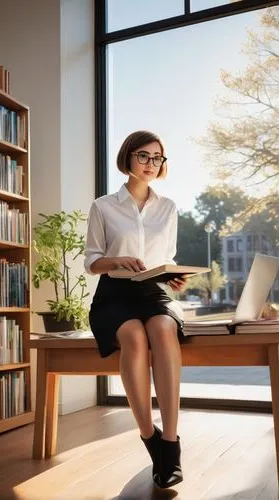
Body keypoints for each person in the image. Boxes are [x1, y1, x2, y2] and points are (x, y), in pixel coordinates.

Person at [84, 130, 187, 489]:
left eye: (157, 158)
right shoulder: (103, 206)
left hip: (152, 292)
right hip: (113, 294)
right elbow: (92, 262)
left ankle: (170, 441)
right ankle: (149, 435)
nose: (150, 164)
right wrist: (118, 259)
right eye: (143, 156)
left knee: (162, 329)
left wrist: (172, 276)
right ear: (128, 157)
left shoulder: (169, 207)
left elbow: (166, 257)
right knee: (133, 336)